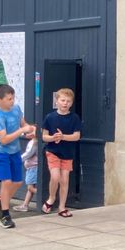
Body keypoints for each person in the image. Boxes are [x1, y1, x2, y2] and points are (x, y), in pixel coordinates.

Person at [0, 83, 35, 229]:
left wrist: (30, 130)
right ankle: (5, 214)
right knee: (7, 182)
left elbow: (23, 123)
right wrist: (22, 131)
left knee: (17, 182)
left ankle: (0, 202)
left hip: (15, 151)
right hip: (1, 153)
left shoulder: (16, 109)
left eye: (13, 98)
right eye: (9, 99)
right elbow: (3, 140)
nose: (12, 101)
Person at [41, 88, 82, 218]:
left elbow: (76, 136)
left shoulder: (74, 118)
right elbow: (44, 137)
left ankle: (62, 207)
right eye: (62, 100)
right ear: (56, 101)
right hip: (53, 151)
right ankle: (51, 198)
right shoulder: (50, 117)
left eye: (68, 101)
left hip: (68, 153)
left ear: (71, 103)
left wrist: (63, 136)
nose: (65, 103)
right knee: (55, 177)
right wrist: (53, 138)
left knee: (64, 180)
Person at [12, 137, 38, 212]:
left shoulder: (34, 142)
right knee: (30, 188)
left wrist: (17, 160)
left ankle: (45, 195)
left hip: (33, 168)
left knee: (30, 188)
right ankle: (25, 205)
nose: (26, 133)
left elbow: (28, 153)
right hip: (31, 168)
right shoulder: (33, 142)